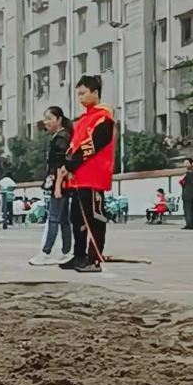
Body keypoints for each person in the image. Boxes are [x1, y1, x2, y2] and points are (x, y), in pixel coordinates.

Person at [59, 76, 116, 273]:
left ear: (95, 92)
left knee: (94, 217)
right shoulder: (83, 120)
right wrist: (67, 166)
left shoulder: (104, 118)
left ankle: (94, 258)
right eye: (78, 94)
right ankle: (79, 255)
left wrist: (70, 165)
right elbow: (74, 146)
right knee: (77, 218)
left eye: (83, 93)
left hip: (93, 176)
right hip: (77, 177)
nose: (80, 98)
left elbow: (92, 146)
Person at [29, 106, 73, 266]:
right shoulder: (61, 136)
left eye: (49, 118)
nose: (46, 122)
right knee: (63, 218)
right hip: (61, 183)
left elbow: (61, 165)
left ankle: (45, 252)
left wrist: (57, 186)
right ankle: (67, 252)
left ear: (59, 119)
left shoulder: (61, 138)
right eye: (45, 118)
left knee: (53, 218)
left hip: (59, 183)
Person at [179, 158, 193, 231]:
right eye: (185, 163)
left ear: (190, 164)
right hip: (189, 193)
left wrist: (183, 179)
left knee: (188, 209)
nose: (185, 164)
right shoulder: (190, 172)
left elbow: (183, 182)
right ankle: (191, 224)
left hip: (188, 193)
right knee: (190, 209)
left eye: (187, 163)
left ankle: (190, 224)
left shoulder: (190, 173)